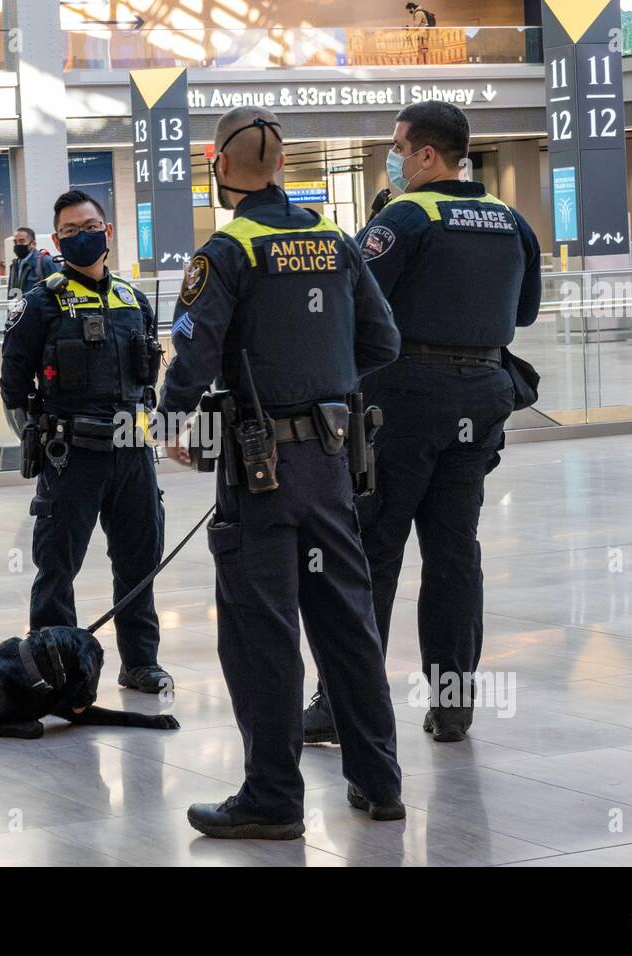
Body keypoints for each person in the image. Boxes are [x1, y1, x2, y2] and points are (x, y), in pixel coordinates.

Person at [160, 106, 404, 838]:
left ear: (219, 165)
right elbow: (383, 340)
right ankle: (379, 780)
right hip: (331, 460)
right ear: (284, 163)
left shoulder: (227, 252)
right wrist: (323, 389)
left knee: (262, 630)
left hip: (259, 469)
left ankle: (272, 797)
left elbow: (193, 359)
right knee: (347, 622)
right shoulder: (335, 243)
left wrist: (172, 422)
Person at [303, 100, 541, 747]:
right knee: (454, 554)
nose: (396, 157)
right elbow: (524, 314)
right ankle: (453, 705)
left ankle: (345, 704)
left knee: (374, 552)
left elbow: (350, 300)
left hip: (404, 400)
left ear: (428, 155)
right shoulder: (510, 221)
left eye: (400, 147)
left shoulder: (406, 217)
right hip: (484, 399)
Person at [0, 189, 172, 694]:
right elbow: (13, 388)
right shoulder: (39, 303)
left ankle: (140, 663)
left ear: (109, 231)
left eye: (90, 226)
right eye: (70, 232)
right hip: (71, 458)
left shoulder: (134, 300)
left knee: (139, 563)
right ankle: (52, 670)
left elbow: (147, 382)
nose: (82, 236)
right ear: (56, 241)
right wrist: (40, 438)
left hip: (134, 457)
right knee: (56, 570)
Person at [6, 226, 58, 298]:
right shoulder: (15, 265)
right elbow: (12, 292)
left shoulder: (47, 262)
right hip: (19, 308)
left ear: (33, 244)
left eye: (22, 241)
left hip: (40, 308)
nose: (18, 245)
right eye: (15, 242)